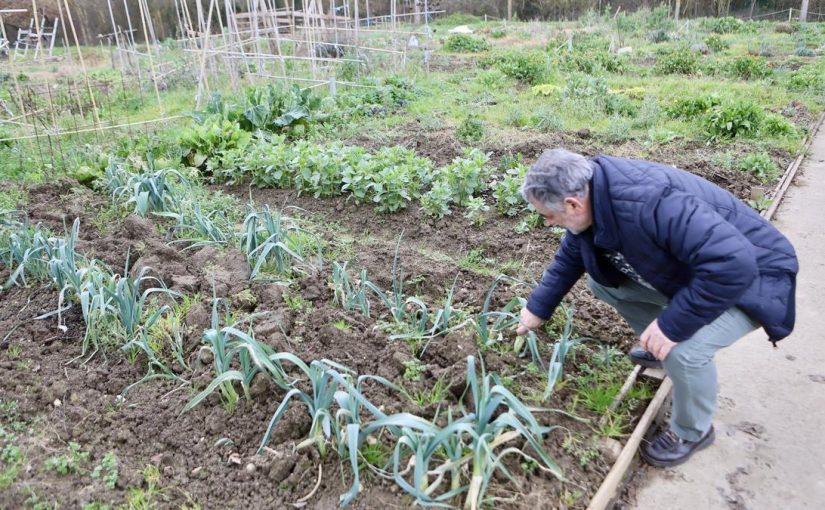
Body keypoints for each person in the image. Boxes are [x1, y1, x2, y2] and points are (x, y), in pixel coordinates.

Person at [515, 148, 798, 467]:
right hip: (700, 274)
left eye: (548, 215)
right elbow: (572, 255)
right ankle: (660, 348)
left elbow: (734, 264)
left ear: (572, 204)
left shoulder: (650, 202)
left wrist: (673, 328)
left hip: (754, 281)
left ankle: (692, 431)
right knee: (604, 283)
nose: (550, 223)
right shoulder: (596, 194)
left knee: (685, 352)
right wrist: (538, 308)